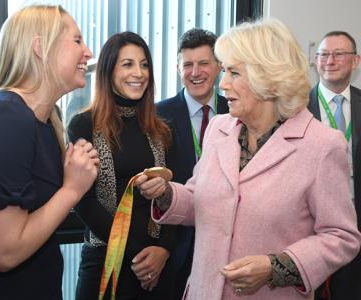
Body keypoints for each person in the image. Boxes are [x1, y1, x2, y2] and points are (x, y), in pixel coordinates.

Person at [135, 19, 361, 299]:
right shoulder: (219, 128)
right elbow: (200, 199)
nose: (222, 83)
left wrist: (275, 267)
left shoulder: (322, 145)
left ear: (268, 76)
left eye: (233, 73)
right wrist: (166, 193)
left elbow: (342, 237)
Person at [0, 5, 99, 300]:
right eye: (77, 41)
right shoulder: (5, 122)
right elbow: (4, 252)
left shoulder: (46, 123)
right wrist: (72, 189)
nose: (87, 52)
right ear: (41, 48)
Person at [67, 31, 178, 300]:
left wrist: (164, 249)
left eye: (144, 64)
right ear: (108, 70)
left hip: (157, 265)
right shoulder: (83, 125)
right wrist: (138, 253)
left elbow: (178, 195)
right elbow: (84, 200)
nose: (138, 73)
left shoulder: (162, 130)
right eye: (127, 64)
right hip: (106, 262)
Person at [156, 28, 229, 299]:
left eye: (204, 63)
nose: (195, 72)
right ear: (178, 68)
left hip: (226, 246)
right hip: (173, 249)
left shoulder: (238, 113)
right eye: (188, 64)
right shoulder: (156, 115)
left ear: (219, 66)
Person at [308, 31, 361, 300]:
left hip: (356, 219)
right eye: (324, 55)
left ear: (355, 61)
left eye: (339, 54)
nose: (330, 60)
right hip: (307, 221)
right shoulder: (296, 108)